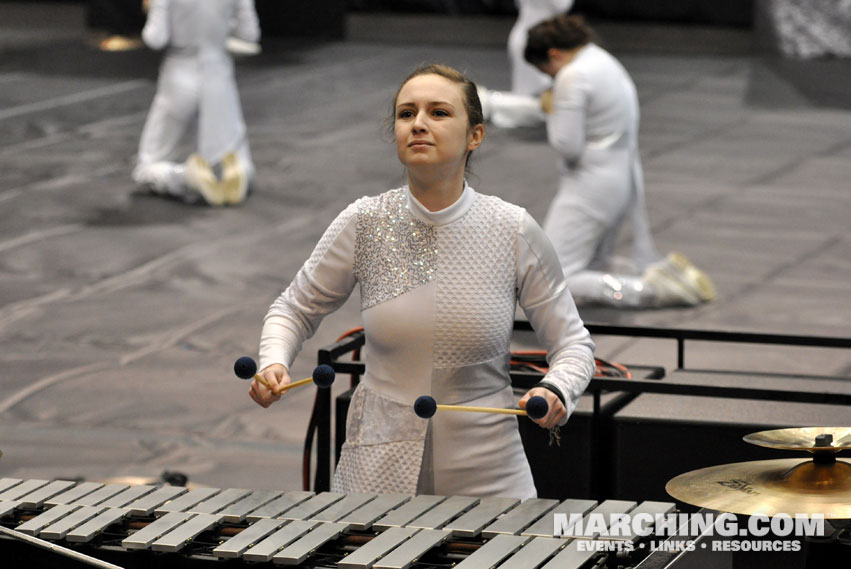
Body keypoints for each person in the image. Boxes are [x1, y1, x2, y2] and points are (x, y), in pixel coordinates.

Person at [249, 64, 596, 500]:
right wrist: (273, 361)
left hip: (490, 476)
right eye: (406, 113)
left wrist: (557, 387)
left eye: (439, 113)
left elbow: (574, 346)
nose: (418, 124)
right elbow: (293, 309)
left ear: (475, 136)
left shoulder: (512, 229)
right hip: (374, 471)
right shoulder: (365, 222)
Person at [524, 14, 715, 307]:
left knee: (550, 278)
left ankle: (650, 288)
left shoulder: (572, 75)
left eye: (547, 71)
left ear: (554, 54)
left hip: (589, 185)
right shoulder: (602, 60)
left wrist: (552, 110)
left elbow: (567, 146)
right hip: (618, 178)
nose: (550, 78)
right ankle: (658, 277)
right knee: (590, 265)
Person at [132, 0, 259, 206]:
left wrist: (152, 6)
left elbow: (155, 38)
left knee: (147, 166)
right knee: (234, 157)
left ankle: (184, 176)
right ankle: (235, 174)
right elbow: (249, 34)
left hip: (179, 74)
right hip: (218, 75)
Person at [479, 0, 573, 129]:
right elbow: (561, 5)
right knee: (536, 99)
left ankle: (489, 103)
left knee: (540, 96)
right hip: (535, 40)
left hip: (535, 37)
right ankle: (487, 103)